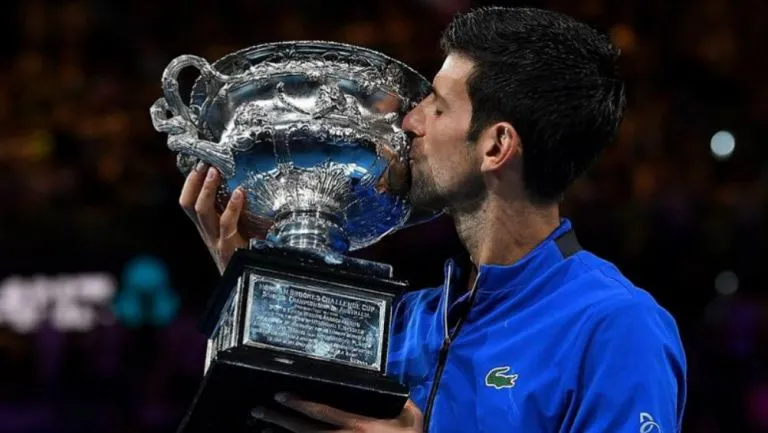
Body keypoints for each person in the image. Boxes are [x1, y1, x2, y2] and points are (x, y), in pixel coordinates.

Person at [178, 6, 687, 433]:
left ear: (496, 146)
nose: (411, 122)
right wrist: (259, 286)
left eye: (438, 107)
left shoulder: (614, 327)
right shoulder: (408, 321)